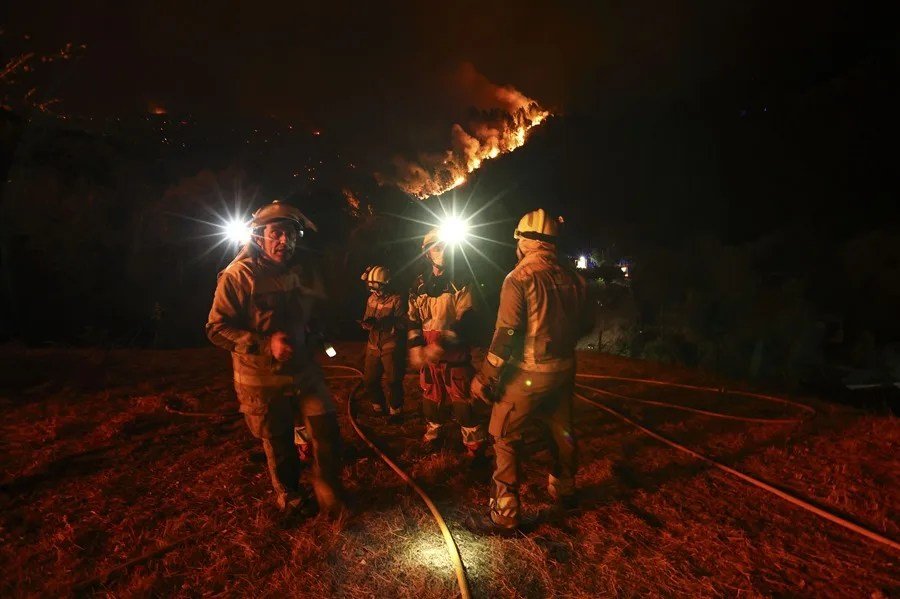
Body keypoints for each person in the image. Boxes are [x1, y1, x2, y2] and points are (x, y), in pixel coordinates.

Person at [206, 200, 345, 518]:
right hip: (263, 382)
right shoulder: (238, 276)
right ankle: (291, 497)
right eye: (277, 233)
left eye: (292, 235)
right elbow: (216, 329)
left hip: (304, 372)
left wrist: (317, 332)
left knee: (325, 429)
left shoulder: (301, 272)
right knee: (280, 443)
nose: (286, 241)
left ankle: (329, 492)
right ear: (258, 237)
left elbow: (313, 312)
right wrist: (266, 343)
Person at [467, 209, 591, 535]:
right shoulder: (575, 277)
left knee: (504, 435)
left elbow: (506, 333)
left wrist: (485, 377)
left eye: (519, 238)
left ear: (525, 240)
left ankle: (505, 513)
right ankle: (566, 490)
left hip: (527, 376)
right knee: (561, 430)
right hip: (563, 371)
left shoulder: (519, 279)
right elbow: (587, 324)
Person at [407, 228, 487, 461]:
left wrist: (440, 345)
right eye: (438, 248)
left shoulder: (462, 281)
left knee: (463, 402)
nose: (442, 253)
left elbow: (466, 319)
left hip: (455, 358)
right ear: (427, 253)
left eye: (446, 248)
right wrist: (415, 346)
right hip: (430, 360)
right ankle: (434, 434)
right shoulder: (418, 285)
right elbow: (413, 318)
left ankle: (474, 446)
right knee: (431, 397)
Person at [359, 265, 407, 424]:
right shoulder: (371, 299)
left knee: (394, 380)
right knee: (369, 380)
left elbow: (403, 323)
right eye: (371, 287)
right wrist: (366, 324)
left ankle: (396, 412)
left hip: (390, 346)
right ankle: (378, 407)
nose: (374, 291)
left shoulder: (397, 300)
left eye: (377, 287)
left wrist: (387, 324)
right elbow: (367, 317)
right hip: (373, 345)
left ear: (386, 284)